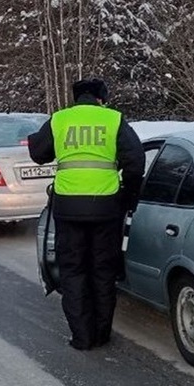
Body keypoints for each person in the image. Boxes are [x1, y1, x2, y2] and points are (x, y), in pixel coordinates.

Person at [28, 78, 145, 351]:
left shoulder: (60, 119)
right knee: (103, 270)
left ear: (76, 98)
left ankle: (81, 337)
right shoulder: (114, 120)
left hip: (68, 209)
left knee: (73, 270)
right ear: (100, 98)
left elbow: (38, 153)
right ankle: (102, 333)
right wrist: (128, 195)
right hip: (106, 207)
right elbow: (136, 161)